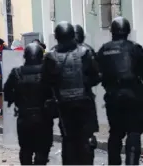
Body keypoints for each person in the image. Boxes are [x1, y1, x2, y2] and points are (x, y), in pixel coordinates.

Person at [42, 21, 100, 165]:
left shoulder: (51, 56)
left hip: (63, 103)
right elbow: (95, 76)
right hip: (84, 101)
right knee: (86, 137)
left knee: (68, 139)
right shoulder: (85, 52)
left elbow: (46, 82)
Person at [96, 17, 143, 165]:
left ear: (112, 31)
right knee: (134, 132)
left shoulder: (104, 50)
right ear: (127, 31)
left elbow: (97, 72)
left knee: (115, 133)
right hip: (133, 95)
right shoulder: (135, 48)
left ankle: (114, 162)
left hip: (113, 96)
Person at [4, 43, 53, 165]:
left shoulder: (17, 73)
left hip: (24, 116)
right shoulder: (47, 73)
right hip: (44, 117)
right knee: (42, 150)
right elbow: (55, 91)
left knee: (26, 149)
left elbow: (7, 92)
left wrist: (14, 100)